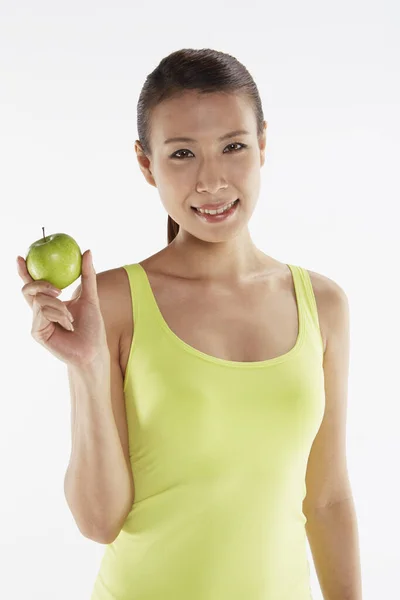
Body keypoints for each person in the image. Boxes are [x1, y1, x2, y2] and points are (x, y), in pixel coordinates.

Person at [17, 48, 363, 600]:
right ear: (146, 163)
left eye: (233, 147)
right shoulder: (110, 302)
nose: (211, 180)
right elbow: (98, 522)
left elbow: (326, 500)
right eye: (182, 154)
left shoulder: (324, 304)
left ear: (263, 145)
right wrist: (86, 366)